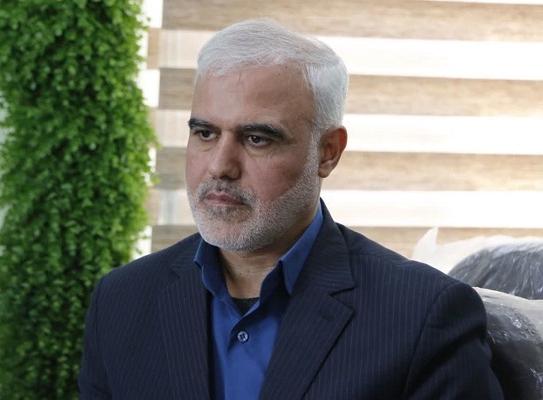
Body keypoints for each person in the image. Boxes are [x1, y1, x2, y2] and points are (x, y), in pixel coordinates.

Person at [78, 19, 503, 399]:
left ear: (328, 152)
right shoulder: (121, 300)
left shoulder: (422, 315)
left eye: (257, 139)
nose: (220, 166)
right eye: (205, 133)